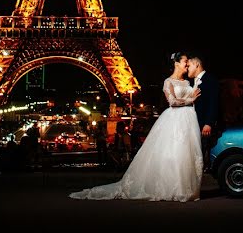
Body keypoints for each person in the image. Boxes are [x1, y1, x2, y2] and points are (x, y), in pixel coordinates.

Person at [69, 52, 203, 201]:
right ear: (177, 63)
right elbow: (172, 101)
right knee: (173, 153)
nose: (187, 63)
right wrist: (190, 99)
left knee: (183, 154)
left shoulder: (187, 83)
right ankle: (173, 188)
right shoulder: (168, 81)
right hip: (174, 119)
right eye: (185, 60)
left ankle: (183, 188)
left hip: (187, 120)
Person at [187, 54, 220, 173]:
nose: (187, 69)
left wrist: (209, 123)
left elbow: (213, 103)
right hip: (192, 124)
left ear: (197, 64)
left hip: (204, 126)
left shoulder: (211, 80)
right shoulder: (191, 83)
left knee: (203, 153)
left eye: (189, 65)